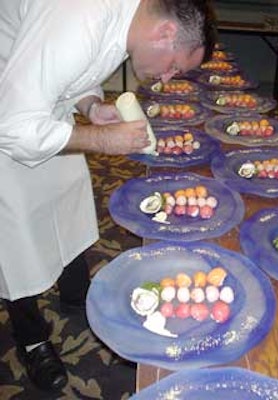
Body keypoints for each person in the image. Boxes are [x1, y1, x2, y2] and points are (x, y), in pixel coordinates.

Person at [0, 0, 216, 392]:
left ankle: (76, 297)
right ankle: (31, 337)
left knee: (65, 200)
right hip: (8, 112)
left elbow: (75, 67)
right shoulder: (78, 17)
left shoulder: (125, 18)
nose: (167, 79)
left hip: (43, 108)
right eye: (174, 67)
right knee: (14, 236)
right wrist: (100, 139)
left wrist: (91, 106)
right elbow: (13, 127)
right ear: (166, 33)